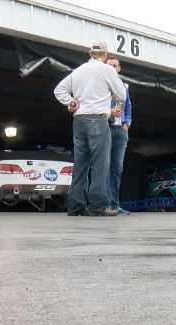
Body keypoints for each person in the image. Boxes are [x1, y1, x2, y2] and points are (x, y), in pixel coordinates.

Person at [54, 41, 127, 217]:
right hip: (98, 119)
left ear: (89, 53)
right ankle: (98, 207)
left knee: (80, 164)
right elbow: (121, 95)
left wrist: (71, 102)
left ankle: (76, 206)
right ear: (105, 55)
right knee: (100, 164)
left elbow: (59, 90)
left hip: (79, 120)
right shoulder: (107, 70)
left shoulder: (78, 71)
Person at [106, 56, 133, 216]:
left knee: (117, 169)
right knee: (103, 167)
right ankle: (103, 203)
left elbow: (128, 107)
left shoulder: (124, 87)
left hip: (120, 131)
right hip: (105, 128)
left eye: (115, 65)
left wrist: (126, 125)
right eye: (109, 65)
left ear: (119, 69)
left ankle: (115, 205)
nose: (112, 67)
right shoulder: (101, 85)